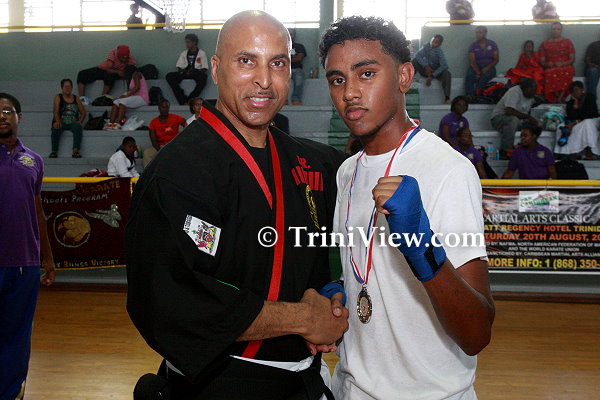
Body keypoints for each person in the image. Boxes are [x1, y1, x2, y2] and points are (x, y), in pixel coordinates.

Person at [126, 10, 349, 399]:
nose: (264, 80)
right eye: (246, 61)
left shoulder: (314, 162)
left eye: (277, 63)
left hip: (305, 380)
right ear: (215, 69)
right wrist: (302, 318)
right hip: (217, 387)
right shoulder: (176, 172)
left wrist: (333, 292)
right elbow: (172, 304)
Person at [320, 16, 494, 399]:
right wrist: (341, 289)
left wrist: (422, 246)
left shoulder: (448, 169)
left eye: (366, 73)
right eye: (337, 79)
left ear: (404, 76)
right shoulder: (347, 172)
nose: (350, 92)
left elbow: (476, 333)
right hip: (350, 387)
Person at [0, 92, 55, 400]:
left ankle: (10, 393)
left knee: (18, 335)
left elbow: (37, 212)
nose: (2, 116)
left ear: (19, 117)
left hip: (24, 264)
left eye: (8, 111)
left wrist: (48, 258)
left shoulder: (33, 160)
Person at [490, 78, 539, 158]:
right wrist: (529, 117)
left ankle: (530, 150)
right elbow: (509, 111)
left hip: (519, 120)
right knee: (513, 120)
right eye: (533, 90)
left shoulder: (530, 96)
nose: (535, 92)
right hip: (499, 118)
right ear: (525, 88)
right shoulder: (514, 92)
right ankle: (506, 151)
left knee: (536, 124)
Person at [554, 81, 600, 159]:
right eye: (572, 91)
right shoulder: (571, 102)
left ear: (582, 90)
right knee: (561, 126)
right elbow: (571, 116)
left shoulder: (589, 97)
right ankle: (569, 152)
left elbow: (589, 114)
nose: (574, 93)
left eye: (576, 90)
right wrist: (575, 105)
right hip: (578, 121)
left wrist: (575, 122)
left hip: (592, 120)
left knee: (587, 123)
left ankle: (589, 151)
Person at [165, 34, 209, 105]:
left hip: (196, 72)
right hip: (185, 72)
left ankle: (191, 99)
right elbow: (179, 66)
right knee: (169, 76)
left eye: (188, 42)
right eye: (186, 42)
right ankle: (182, 99)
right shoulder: (184, 53)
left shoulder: (201, 53)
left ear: (194, 42)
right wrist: (183, 71)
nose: (187, 44)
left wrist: (196, 72)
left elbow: (204, 68)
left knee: (203, 77)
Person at [142, 99, 187, 167]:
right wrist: (161, 152)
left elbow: (187, 125)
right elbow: (154, 141)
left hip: (174, 145)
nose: (165, 109)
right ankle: (149, 173)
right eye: (163, 107)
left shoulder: (175, 117)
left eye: (167, 107)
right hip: (160, 146)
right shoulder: (153, 122)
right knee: (147, 153)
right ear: (159, 108)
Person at [49, 78, 87, 158]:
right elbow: (55, 111)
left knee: (78, 127)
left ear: (72, 88)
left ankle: (75, 150)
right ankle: (54, 151)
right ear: (62, 88)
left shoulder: (76, 98)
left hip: (73, 122)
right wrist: (57, 121)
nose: (67, 88)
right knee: (56, 127)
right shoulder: (58, 97)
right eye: (65, 87)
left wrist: (80, 121)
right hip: (61, 121)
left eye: (69, 87)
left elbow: (83, 112)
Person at [539, 22, 575, 103]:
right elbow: (542, 61)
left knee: (566, 71)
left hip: (565, 66)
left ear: (561, 30)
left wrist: (563, 64)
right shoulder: (545, 44)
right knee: (550, 72)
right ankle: (556, 96)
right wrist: (548, 64)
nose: (556, 31)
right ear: (551, 30)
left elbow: (572, 59)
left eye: (558, 29)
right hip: (551, 67)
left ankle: (561, 97)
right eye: (554, 29)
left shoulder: (567, 42)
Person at [104, 65, 149, 130]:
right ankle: (111, 124)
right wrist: (121, 96)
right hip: (134, 97)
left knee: (123, 102)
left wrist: (126, 96)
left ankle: (118, 124)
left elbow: (137, 87)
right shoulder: (131, 77)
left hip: (142, 98)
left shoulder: (136, 74)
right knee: (116, 102)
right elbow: (130, 91)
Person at [412, 34, 452, 104]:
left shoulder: (439, 52)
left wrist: (432, 75)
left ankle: (447, 98)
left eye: (436, 42)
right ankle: (410, 79)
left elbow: (444, 66)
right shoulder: (426, 46)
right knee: (414, 61)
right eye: (433, 41)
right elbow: (417, 55)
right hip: (426, 70)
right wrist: (426, 66)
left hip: (435, 72)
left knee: (447, 74)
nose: (433, 43)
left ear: (439, 44)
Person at [465, 26, 499, 98]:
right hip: (476, 67)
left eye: (480, 32)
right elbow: (472, 61)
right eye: (476, 32)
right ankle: (469, 97)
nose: (478, 34)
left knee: (484, 77)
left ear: (485, 33)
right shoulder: (473, 45)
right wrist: (477, 72)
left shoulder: (492, 44)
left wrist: (486, 68)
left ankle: (477, 97)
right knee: (469, 76)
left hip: (489, 67)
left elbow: (496, 59)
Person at [289, 28, 307, 105]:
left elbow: (299, 58)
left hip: (296, 69)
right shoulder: (281, 46)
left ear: (294, 35)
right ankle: (282, 100)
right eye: (289, 33)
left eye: (292, 34)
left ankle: (296, 100)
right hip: (283, 70)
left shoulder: (299, 46)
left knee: (299, 80)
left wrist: (287, 59)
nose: (290, 35)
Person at [584, 34, 600, 99]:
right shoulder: (594, 45)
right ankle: (592, 100)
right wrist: (591, 64)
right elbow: (587, 59)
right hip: (595, 67)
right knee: (593, 71)